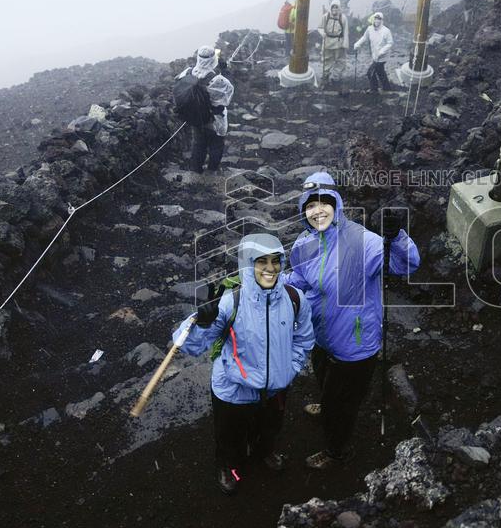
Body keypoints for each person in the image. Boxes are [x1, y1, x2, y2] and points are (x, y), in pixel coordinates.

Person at [285, 172, 420, 469]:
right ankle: (326, 404)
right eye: (310, 205)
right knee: (324, 379)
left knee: (342, 405)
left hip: (355, 343)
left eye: (324, 203)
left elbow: (405, 264)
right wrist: (270, 285)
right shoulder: (304, 242)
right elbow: (298, 278)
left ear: (337, 204)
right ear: (302, 209)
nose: (317, 210)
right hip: (321, 336)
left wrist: (396, 237)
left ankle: (337, 451)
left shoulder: (364, 241)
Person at [172, 233, 315, 494]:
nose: (270, 268)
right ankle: (229, 466)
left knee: (270, 428)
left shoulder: (295, 299)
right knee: (230, 437)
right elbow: (190, 345)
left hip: (275, 389)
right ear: (248, 265)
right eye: (261, 262)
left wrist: (289, 368)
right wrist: (202, 321)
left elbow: (304, 339)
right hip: (233, 391)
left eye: (276, 261)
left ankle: (265, 452)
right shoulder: (230, 302)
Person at [175, 46, 234, 173]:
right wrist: (225, 70)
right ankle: (212, 170)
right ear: (214, 59)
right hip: (215, 119)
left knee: (198, 143)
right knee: (216, 144)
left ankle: (196, 170)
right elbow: (227, 96)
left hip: (195, 117)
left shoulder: (187, 73)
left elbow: (177, 84)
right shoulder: (217, 79)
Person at [352, 12, 394, 95]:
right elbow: (364, 38)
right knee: (380, 71)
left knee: (370, 72)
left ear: (382, 20)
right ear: (373, 19)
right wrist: (357, 44)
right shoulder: (370, 29)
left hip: (382, 56)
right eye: (375, 19)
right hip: (375, 54)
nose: (377, 21)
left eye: (379, 19)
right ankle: (387, 88)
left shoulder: (386, 31)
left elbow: (390, 43)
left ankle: (374, 89)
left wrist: (382, 51)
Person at [318, 0, 349, 88]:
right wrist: (322, 33)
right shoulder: (326, 16)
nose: (334, 9)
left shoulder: (343, 18)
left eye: (336, 7)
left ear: (339, 8)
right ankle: (325, 78)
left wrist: (345, 44)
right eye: (333, 7)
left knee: (340, 61)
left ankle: (335, 78)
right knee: (326, 60)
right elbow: (320, 27)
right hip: (327, 41)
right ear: (331, 8)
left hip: (339, 42)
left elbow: (346, 31)